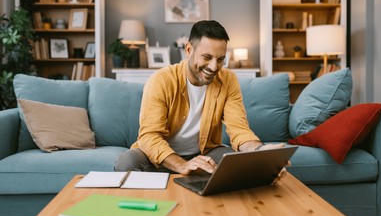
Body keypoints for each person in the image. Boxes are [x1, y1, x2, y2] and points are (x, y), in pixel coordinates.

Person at [115, 20, 285, 177]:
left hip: (204, 154)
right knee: (127, 162)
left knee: (244, 164)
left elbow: (239, 130)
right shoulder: (161, 80)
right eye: (207, 57)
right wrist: (182, 165)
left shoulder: (228, 80)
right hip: (161, 157)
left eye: (220, 59)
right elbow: (149, 137)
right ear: (189, 50)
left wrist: (261, 151)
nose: (213, 67)